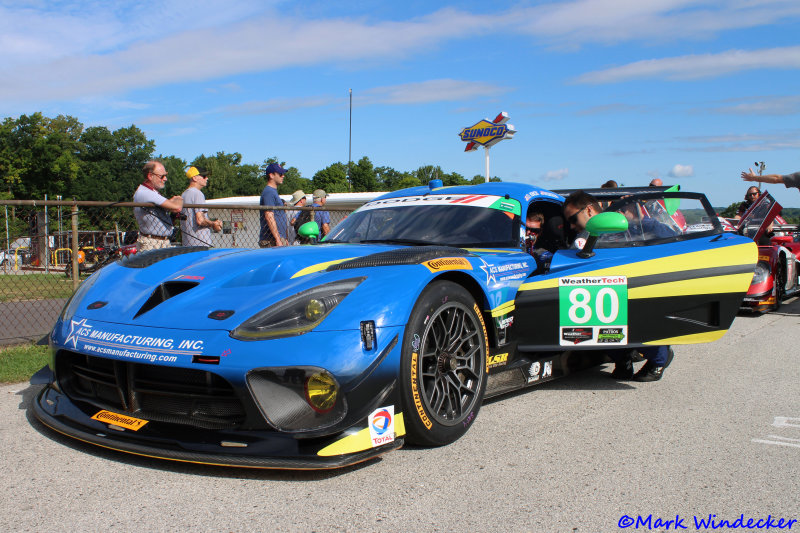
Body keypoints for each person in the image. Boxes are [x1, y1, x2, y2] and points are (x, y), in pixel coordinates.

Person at [562, 190, 672, 381]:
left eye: (573, 218)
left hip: (638, 287)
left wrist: (634, 222)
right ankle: (622, 359)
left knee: (640, 317)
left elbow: (670, 236)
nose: (571, 226)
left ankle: (658, 361)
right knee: (595, 315)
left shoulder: (630, 226)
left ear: (589, 210)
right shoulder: (582, 237)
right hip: (602, 290)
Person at [133, 160, 184, 251]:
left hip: (160, 241)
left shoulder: (151, 192)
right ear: (150, 176)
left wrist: (170, 203)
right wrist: (179, 199)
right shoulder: (145, 193)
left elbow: (168, 205)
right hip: (152, 243)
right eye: (162, 176)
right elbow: (177, 207)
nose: (165, 179)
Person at [180, 166, 222, 246]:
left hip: (188, 242)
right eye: (204, 176)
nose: (207, 178)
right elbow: (200, 220)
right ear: (195, 178)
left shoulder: (184, 194)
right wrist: (214, 224)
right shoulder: (197, 193)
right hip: (200, 243)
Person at [259, 162, 289, 247]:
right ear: (271, 175)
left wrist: (284, 238)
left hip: (277, 238)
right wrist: (278, 239)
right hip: (271, 240)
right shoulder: (269, 192)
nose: (283, 176)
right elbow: (269, 215)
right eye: (280, 174)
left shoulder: (273, 192)